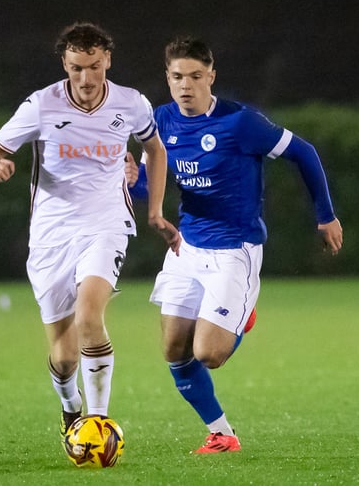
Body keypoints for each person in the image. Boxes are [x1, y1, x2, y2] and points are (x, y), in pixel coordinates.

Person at [127, 36, 342, 453]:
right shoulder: (161, 122)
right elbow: (150, 186)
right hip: (186, 248)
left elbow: (305, 152)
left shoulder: (240, 123)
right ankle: (222, 433)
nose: (185, 85)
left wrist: (325, 214)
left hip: (233, 251)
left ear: (211, 76)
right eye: (176, 77)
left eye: (194, 76)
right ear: (167, 79)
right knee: (174, 349)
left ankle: (242, 317)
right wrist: (133, 180)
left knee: (208, 353)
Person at [0, 22, 180, 444]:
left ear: (107, 59)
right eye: (75, 69)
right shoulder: (41, 106)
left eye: (93, 67)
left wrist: (155, 207)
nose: (86, 79)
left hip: (105, 225)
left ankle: (99, 424)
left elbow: (155, 148)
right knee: (64, 356)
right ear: (64, 64)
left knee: (90, 316)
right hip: (51, 236)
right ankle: (71, 409)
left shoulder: (130, 103)